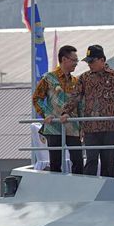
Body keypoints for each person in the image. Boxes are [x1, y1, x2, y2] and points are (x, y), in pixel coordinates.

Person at [61, 45, 114, 178]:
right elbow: (75, 96)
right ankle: (89, 191)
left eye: (92, 61)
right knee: (91, 161)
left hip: (110, 128)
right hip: (91, 129)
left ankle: (109, 194)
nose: (90, 65)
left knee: (109, 163)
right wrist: (66, 112)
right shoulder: (84, 78)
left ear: (102, 60)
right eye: (88, 62)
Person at [32, 45, 83, 174]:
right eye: (74, 60)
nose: (76, 64)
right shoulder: (49, 78)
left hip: (73, 126)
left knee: (78, 160)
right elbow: (37, 98)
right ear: (64, 59)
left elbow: (80, 104)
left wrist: (83, 125)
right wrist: (45, 113)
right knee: (55, 162)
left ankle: (78, 188)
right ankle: (56, 190)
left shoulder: (76, 81)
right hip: (54, 126)